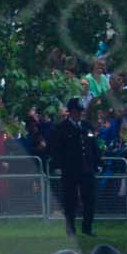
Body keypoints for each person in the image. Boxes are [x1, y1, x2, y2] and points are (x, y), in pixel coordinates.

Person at [47, 98, 100, 237]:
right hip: (70, 169)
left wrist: (97, 162)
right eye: (76, 112)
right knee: (70, 201)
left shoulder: (86, 126)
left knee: (89, 199)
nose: (79, 115)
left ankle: (87, 227)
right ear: (71, 112)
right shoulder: (61, 128)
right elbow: (56, 149)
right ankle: (70, 228)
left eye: (80, 112)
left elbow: (93, 146)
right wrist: (58, 165)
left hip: (86, 168)